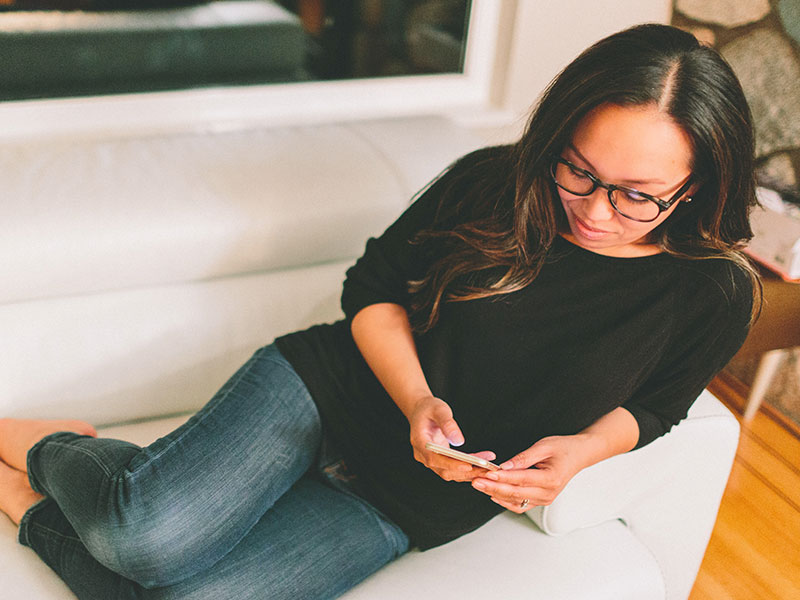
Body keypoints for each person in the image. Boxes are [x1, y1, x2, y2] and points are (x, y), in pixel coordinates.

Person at [0, 23, 760, 599]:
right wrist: (417, 400)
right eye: (578, 171)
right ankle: (51, 447)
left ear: (697, 186)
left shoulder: (713, 292)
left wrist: (579, 454)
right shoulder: (494, 184)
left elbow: (657, 406)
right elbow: (372, 290)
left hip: (408, 500)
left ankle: (26, 501)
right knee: (143, 542)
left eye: (636, 196)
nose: (594, 211)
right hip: (326, 393)